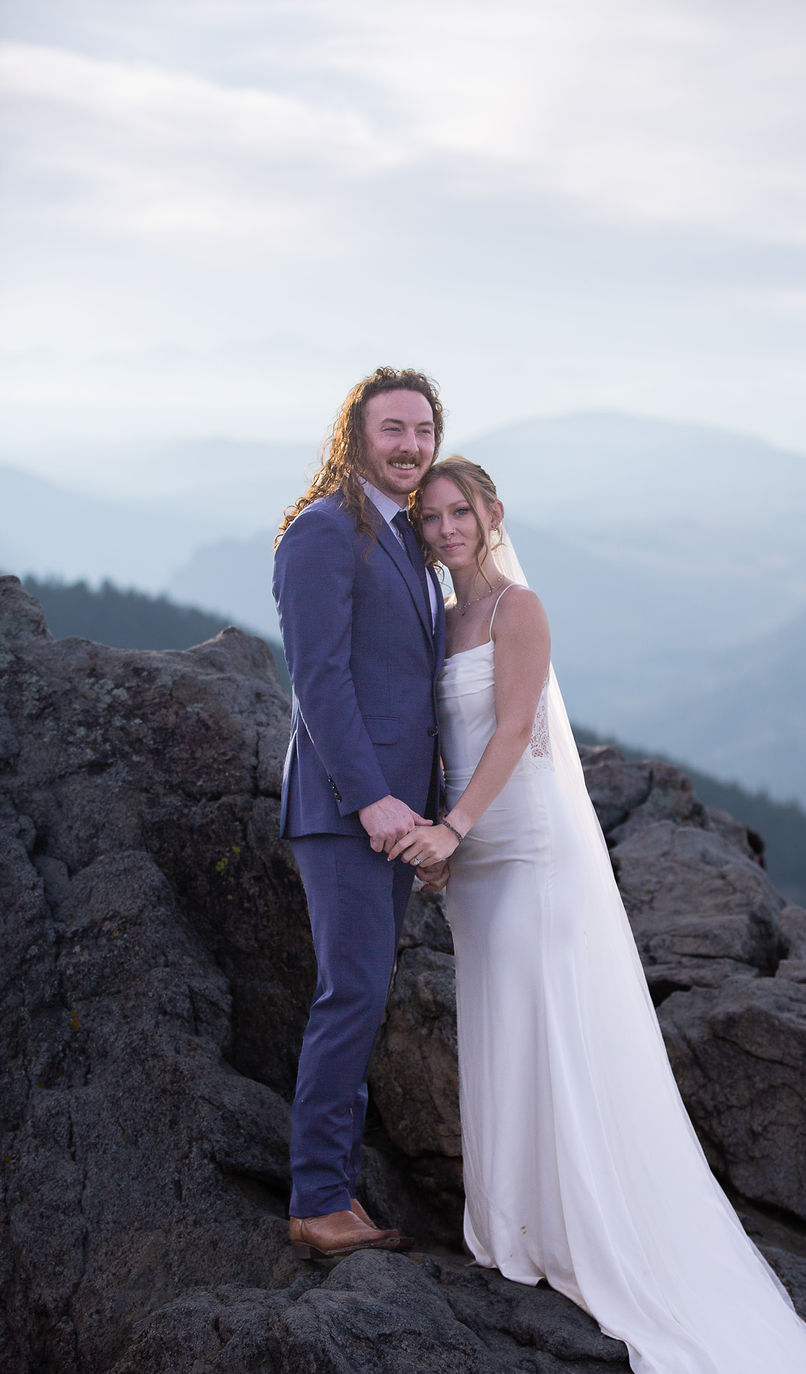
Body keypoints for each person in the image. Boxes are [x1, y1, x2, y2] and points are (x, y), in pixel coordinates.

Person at [390, 455, 806, 1374]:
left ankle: (584, 1226)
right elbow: (443, 736)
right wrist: (442, 841)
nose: (443, 529)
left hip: (526, 842)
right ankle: (518, 1222)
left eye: (458, 511)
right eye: (429, 515)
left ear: (491, 514)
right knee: (498, 1015)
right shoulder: (437, 622)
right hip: (473, 859)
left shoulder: (517, 610)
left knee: (551, 1020)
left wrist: (459, 827)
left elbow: (518, 725)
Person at [272, 366, 449, 1263]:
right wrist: (373, 800)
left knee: (365, 992)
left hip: (398, 815)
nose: (411, 445)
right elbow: (320, 681)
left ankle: (334, 1182)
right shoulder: (323, 531)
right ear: (356, 436)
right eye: (393, 430)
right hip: (346, 812)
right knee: (354, 993)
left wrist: (435, 818)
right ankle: (317, 1201)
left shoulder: (408, 539)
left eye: (423, 430)